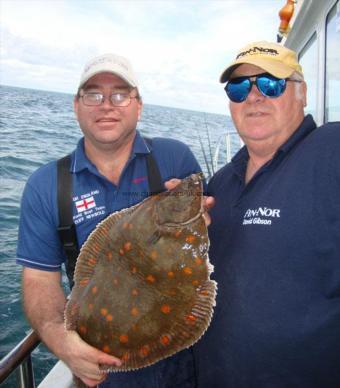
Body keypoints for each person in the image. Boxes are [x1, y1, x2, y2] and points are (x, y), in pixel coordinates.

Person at [17, 53, 203, 387]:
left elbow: (201, 256)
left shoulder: (176, 158)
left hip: (183, 365)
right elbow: (40, 281)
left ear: (138, 105)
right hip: (98, 373)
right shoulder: (46, 185)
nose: (107, 105)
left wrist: (206, 221)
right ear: (76, 105)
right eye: (93, 94)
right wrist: (64, 345)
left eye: (120, 94)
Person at [193, 41, 340, 387]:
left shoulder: (331, 152)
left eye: (271, 83)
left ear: (302, 93)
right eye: (240, 87)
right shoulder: (219, 183)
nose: (254, 96)